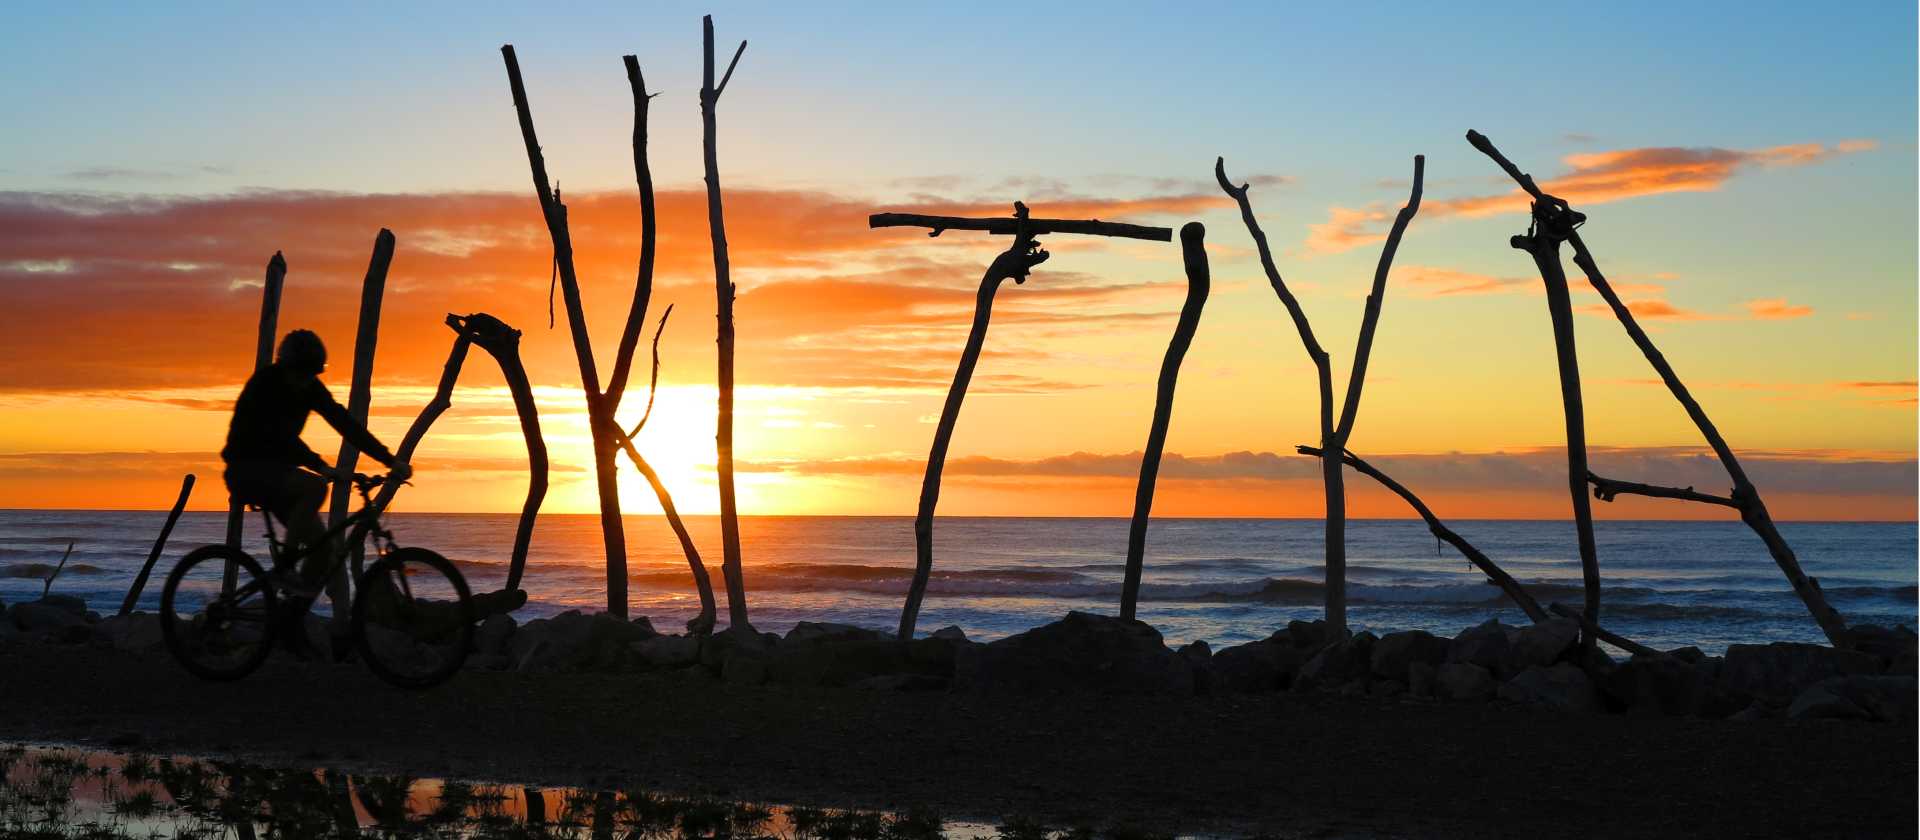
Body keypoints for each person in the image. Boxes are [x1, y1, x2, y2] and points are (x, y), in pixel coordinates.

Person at [221, 329, 412, 597]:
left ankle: (288, 622)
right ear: (286, 367)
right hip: (247, 469)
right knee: (315, 487)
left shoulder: (310, 387)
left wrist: (389, 460)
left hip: (278, 474)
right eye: (300, 374)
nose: (305, 380)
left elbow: (345, 424)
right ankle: (286, 567)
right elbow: (278, 436)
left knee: (323, 552)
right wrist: (319, 466)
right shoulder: (266, 384)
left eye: (311, 374)